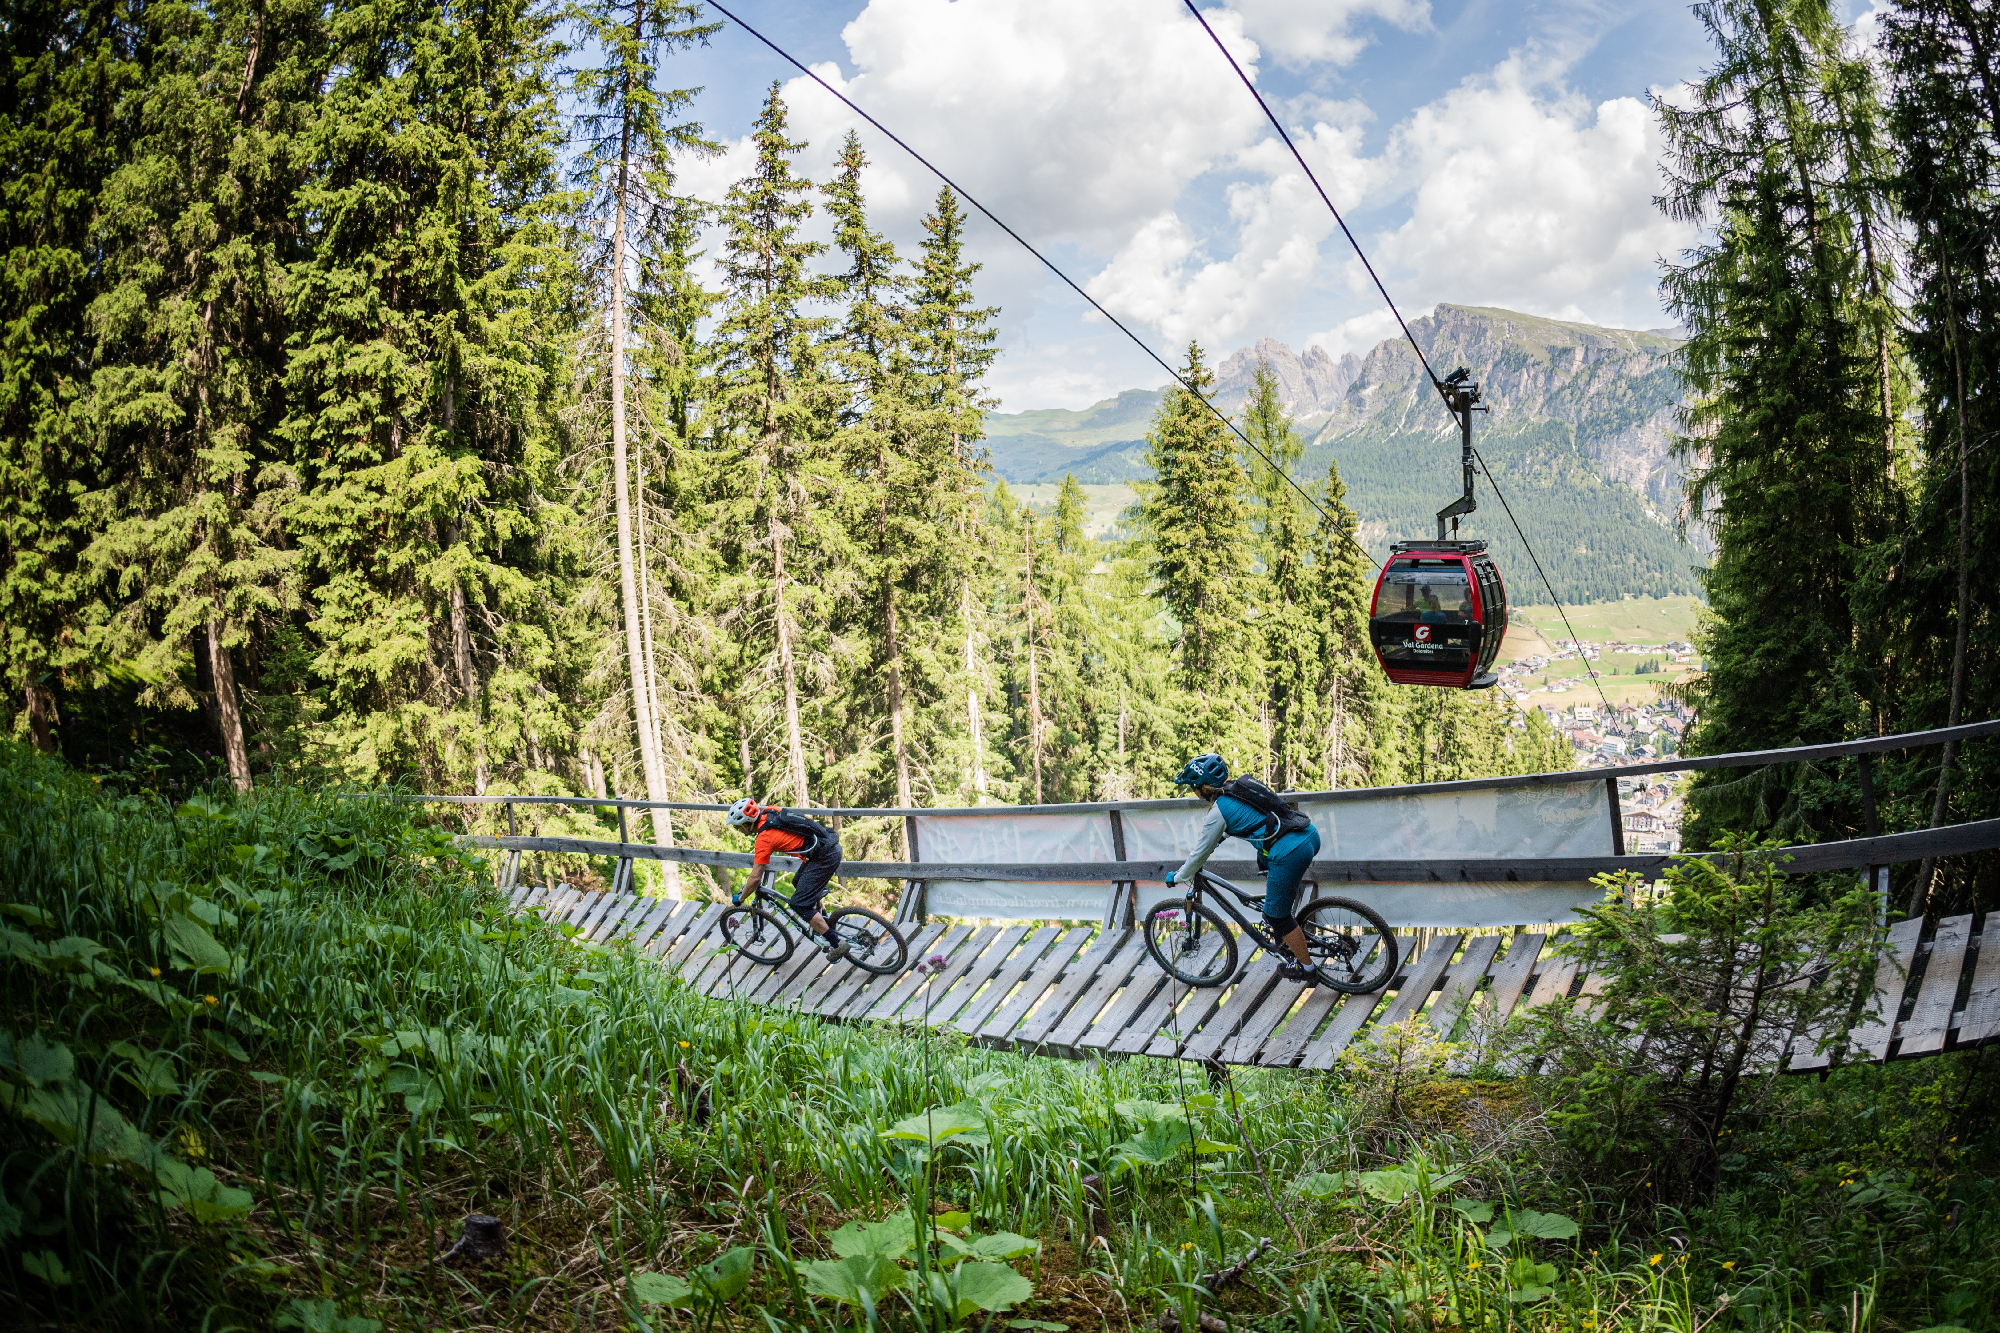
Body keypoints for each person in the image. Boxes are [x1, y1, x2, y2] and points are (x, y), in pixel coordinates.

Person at [1163, 753, 1323, 983]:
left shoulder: (1218, 811)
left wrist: (1179, 876)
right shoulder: (1238, 789)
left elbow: (1199, 854)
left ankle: (1307, 968)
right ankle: (1286, 932)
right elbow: (1247, 821)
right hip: (1307, 834)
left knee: (1277, 917)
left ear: (1202, 788)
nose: (1193, 792)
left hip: (1290, 851)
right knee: (1275, 898)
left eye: (1193, 788)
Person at [725, 798, 847, 959]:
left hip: (824, 856)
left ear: (747, 824)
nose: (738, 830)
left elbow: (755, 878)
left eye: (738, 826)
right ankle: (823, 920)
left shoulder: (763, 838)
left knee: (799, 904)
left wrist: (741, 898)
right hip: (826, 845)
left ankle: (837, 943)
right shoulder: (770, 811)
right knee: (797, 882)